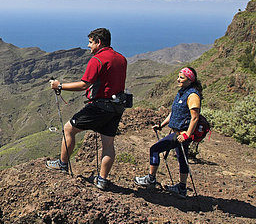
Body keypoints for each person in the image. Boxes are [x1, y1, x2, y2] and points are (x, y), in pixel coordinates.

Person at [46, 28, 127, 190]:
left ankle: (62, 164)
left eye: (91, 42)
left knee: (68, 129)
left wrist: (59, 85)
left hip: (99, 106)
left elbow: (84, 85)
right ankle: (102, 180)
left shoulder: (97, 60)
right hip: (117, 106)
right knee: (108, 144)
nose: (88, 45)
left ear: (99, 42)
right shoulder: (122, 59)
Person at [134, 67, 202, 199]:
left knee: (155, 149)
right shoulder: (182, 92)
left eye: (182, 78)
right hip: (179, 133)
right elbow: (173, 113)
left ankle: (151, 179)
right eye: (178, 77)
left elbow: (195, 117)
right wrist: (161, 126)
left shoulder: (193, 95)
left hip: (182, 134)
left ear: (190, 80)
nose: (178, 79)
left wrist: (186, 134)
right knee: (182, 159)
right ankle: (181, 188)